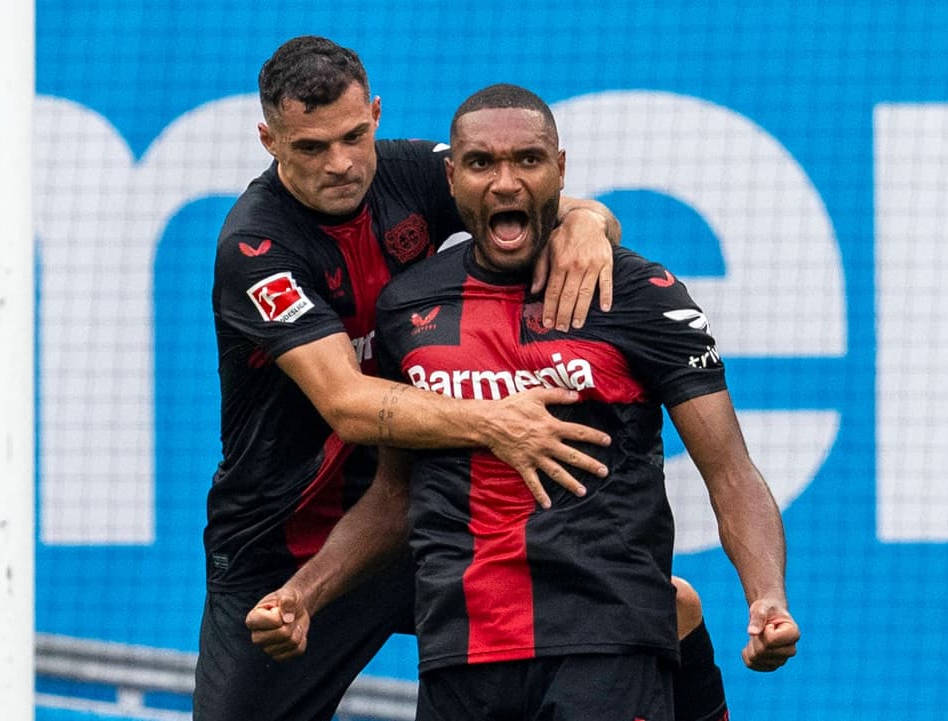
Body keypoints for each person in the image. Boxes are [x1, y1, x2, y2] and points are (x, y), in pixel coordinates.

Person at [194, 37, 623, 721]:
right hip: (282, 547)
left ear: (376, 114)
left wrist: (588, 221)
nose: (340, 164)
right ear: (268, 139)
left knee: (634, 614)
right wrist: (496, 420)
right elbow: (348, 405)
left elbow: (532, 194)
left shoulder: (410, 173)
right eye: (310, 148)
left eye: (354, 135)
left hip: (420, 521)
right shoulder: (256, 247)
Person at [368, 83, 799, 720]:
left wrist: (767, 596)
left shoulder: (637, 291)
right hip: (461, 651)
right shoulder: (406, 307)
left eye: (529, 161)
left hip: (610, 642)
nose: (506, 183)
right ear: (452, 179)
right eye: (483, 163)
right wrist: (304, 592)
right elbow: (391, 496)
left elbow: (729, 470)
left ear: (561, 170)